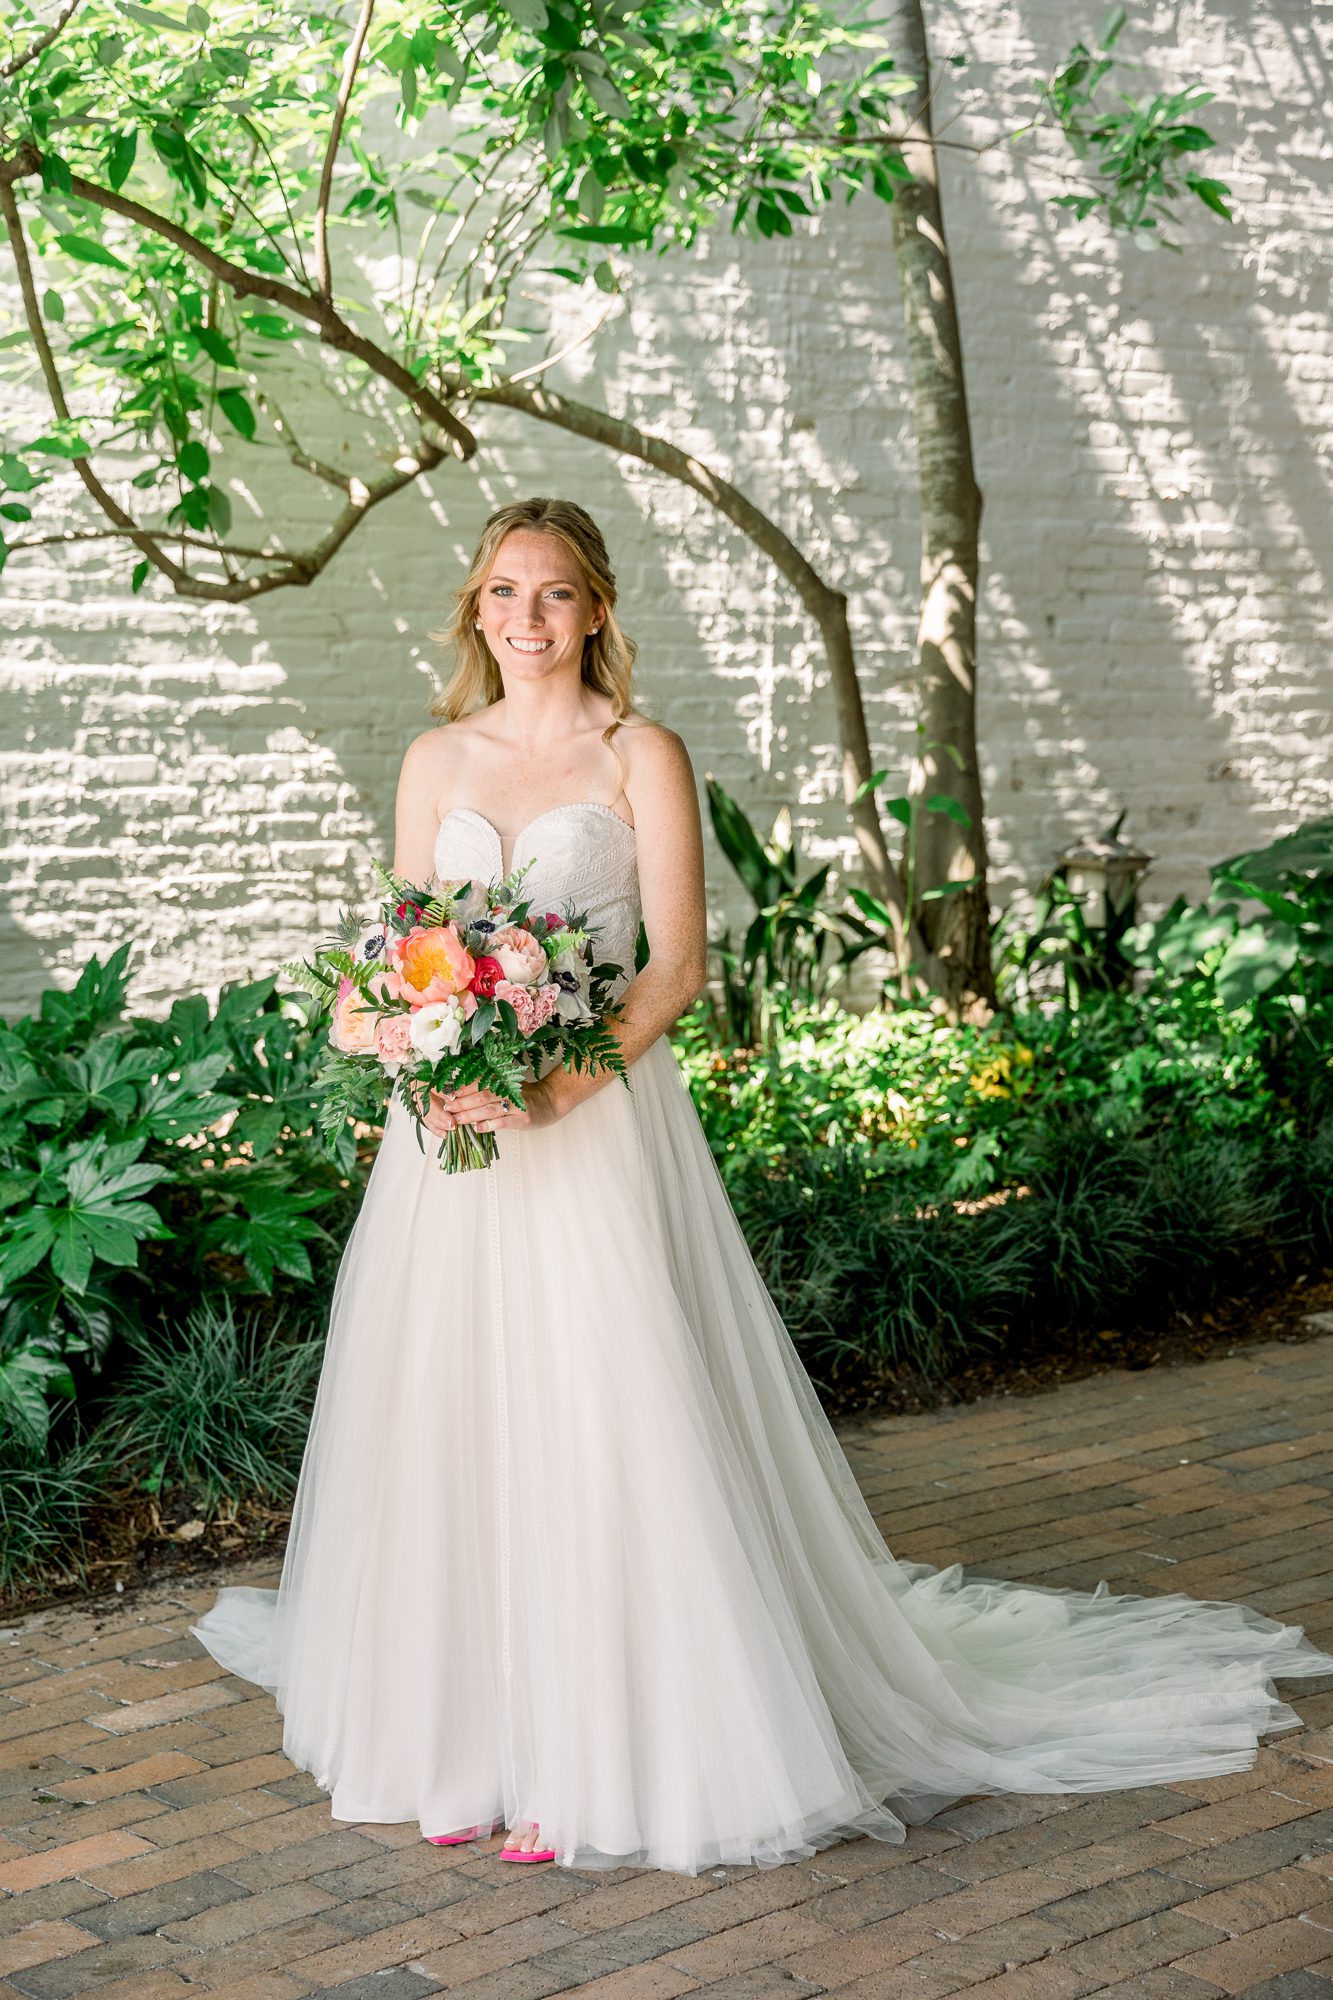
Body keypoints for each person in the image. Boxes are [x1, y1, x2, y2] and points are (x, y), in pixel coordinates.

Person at [190, 495, 1333, 1876]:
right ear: (475, 610)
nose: (527, 619)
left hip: (591, 1119)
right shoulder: (435, 758)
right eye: (504, 593)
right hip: (455, 1142)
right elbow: (409, 948)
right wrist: (408, 1043)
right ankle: (462, 1739)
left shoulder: (639, 752)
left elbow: (675, 966)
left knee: (605, 1423)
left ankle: (593, 1752)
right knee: (452, 1418)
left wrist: (555, 1085)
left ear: (597, 610)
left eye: (555, 595)